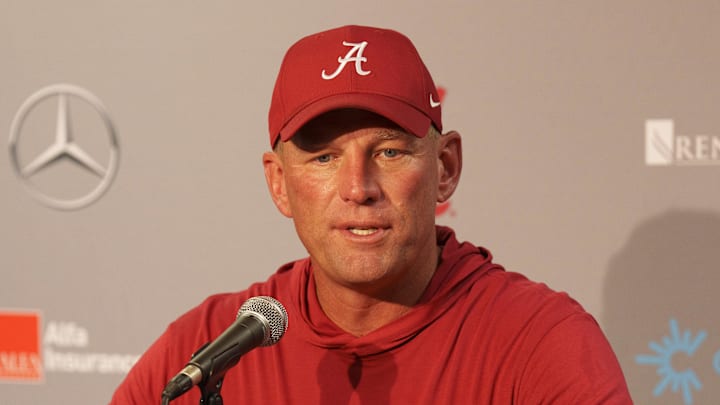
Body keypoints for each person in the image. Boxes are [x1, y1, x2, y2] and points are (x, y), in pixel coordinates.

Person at [111, 25, 632, 404]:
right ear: (279, 183)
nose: (358, 189)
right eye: (324, 157)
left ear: (445, 167)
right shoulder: (206, 350)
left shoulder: (539, 343)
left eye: (389, 152)